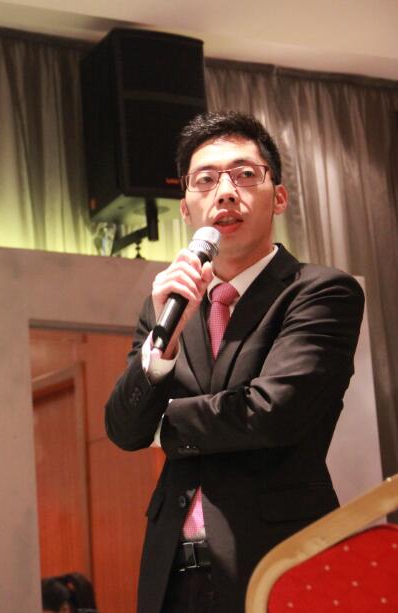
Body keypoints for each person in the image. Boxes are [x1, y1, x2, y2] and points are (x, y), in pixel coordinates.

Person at [104, 111, 364, 613]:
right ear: (186, 209)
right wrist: (163, 348)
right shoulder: (167, 306)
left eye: (245, 174)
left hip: (277, 558)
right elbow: (123, 428)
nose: (225, 193)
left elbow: (272, 411)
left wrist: (165, 425)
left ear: (279, 197)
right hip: (171, 570)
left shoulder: (319, 291)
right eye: (206, 180)